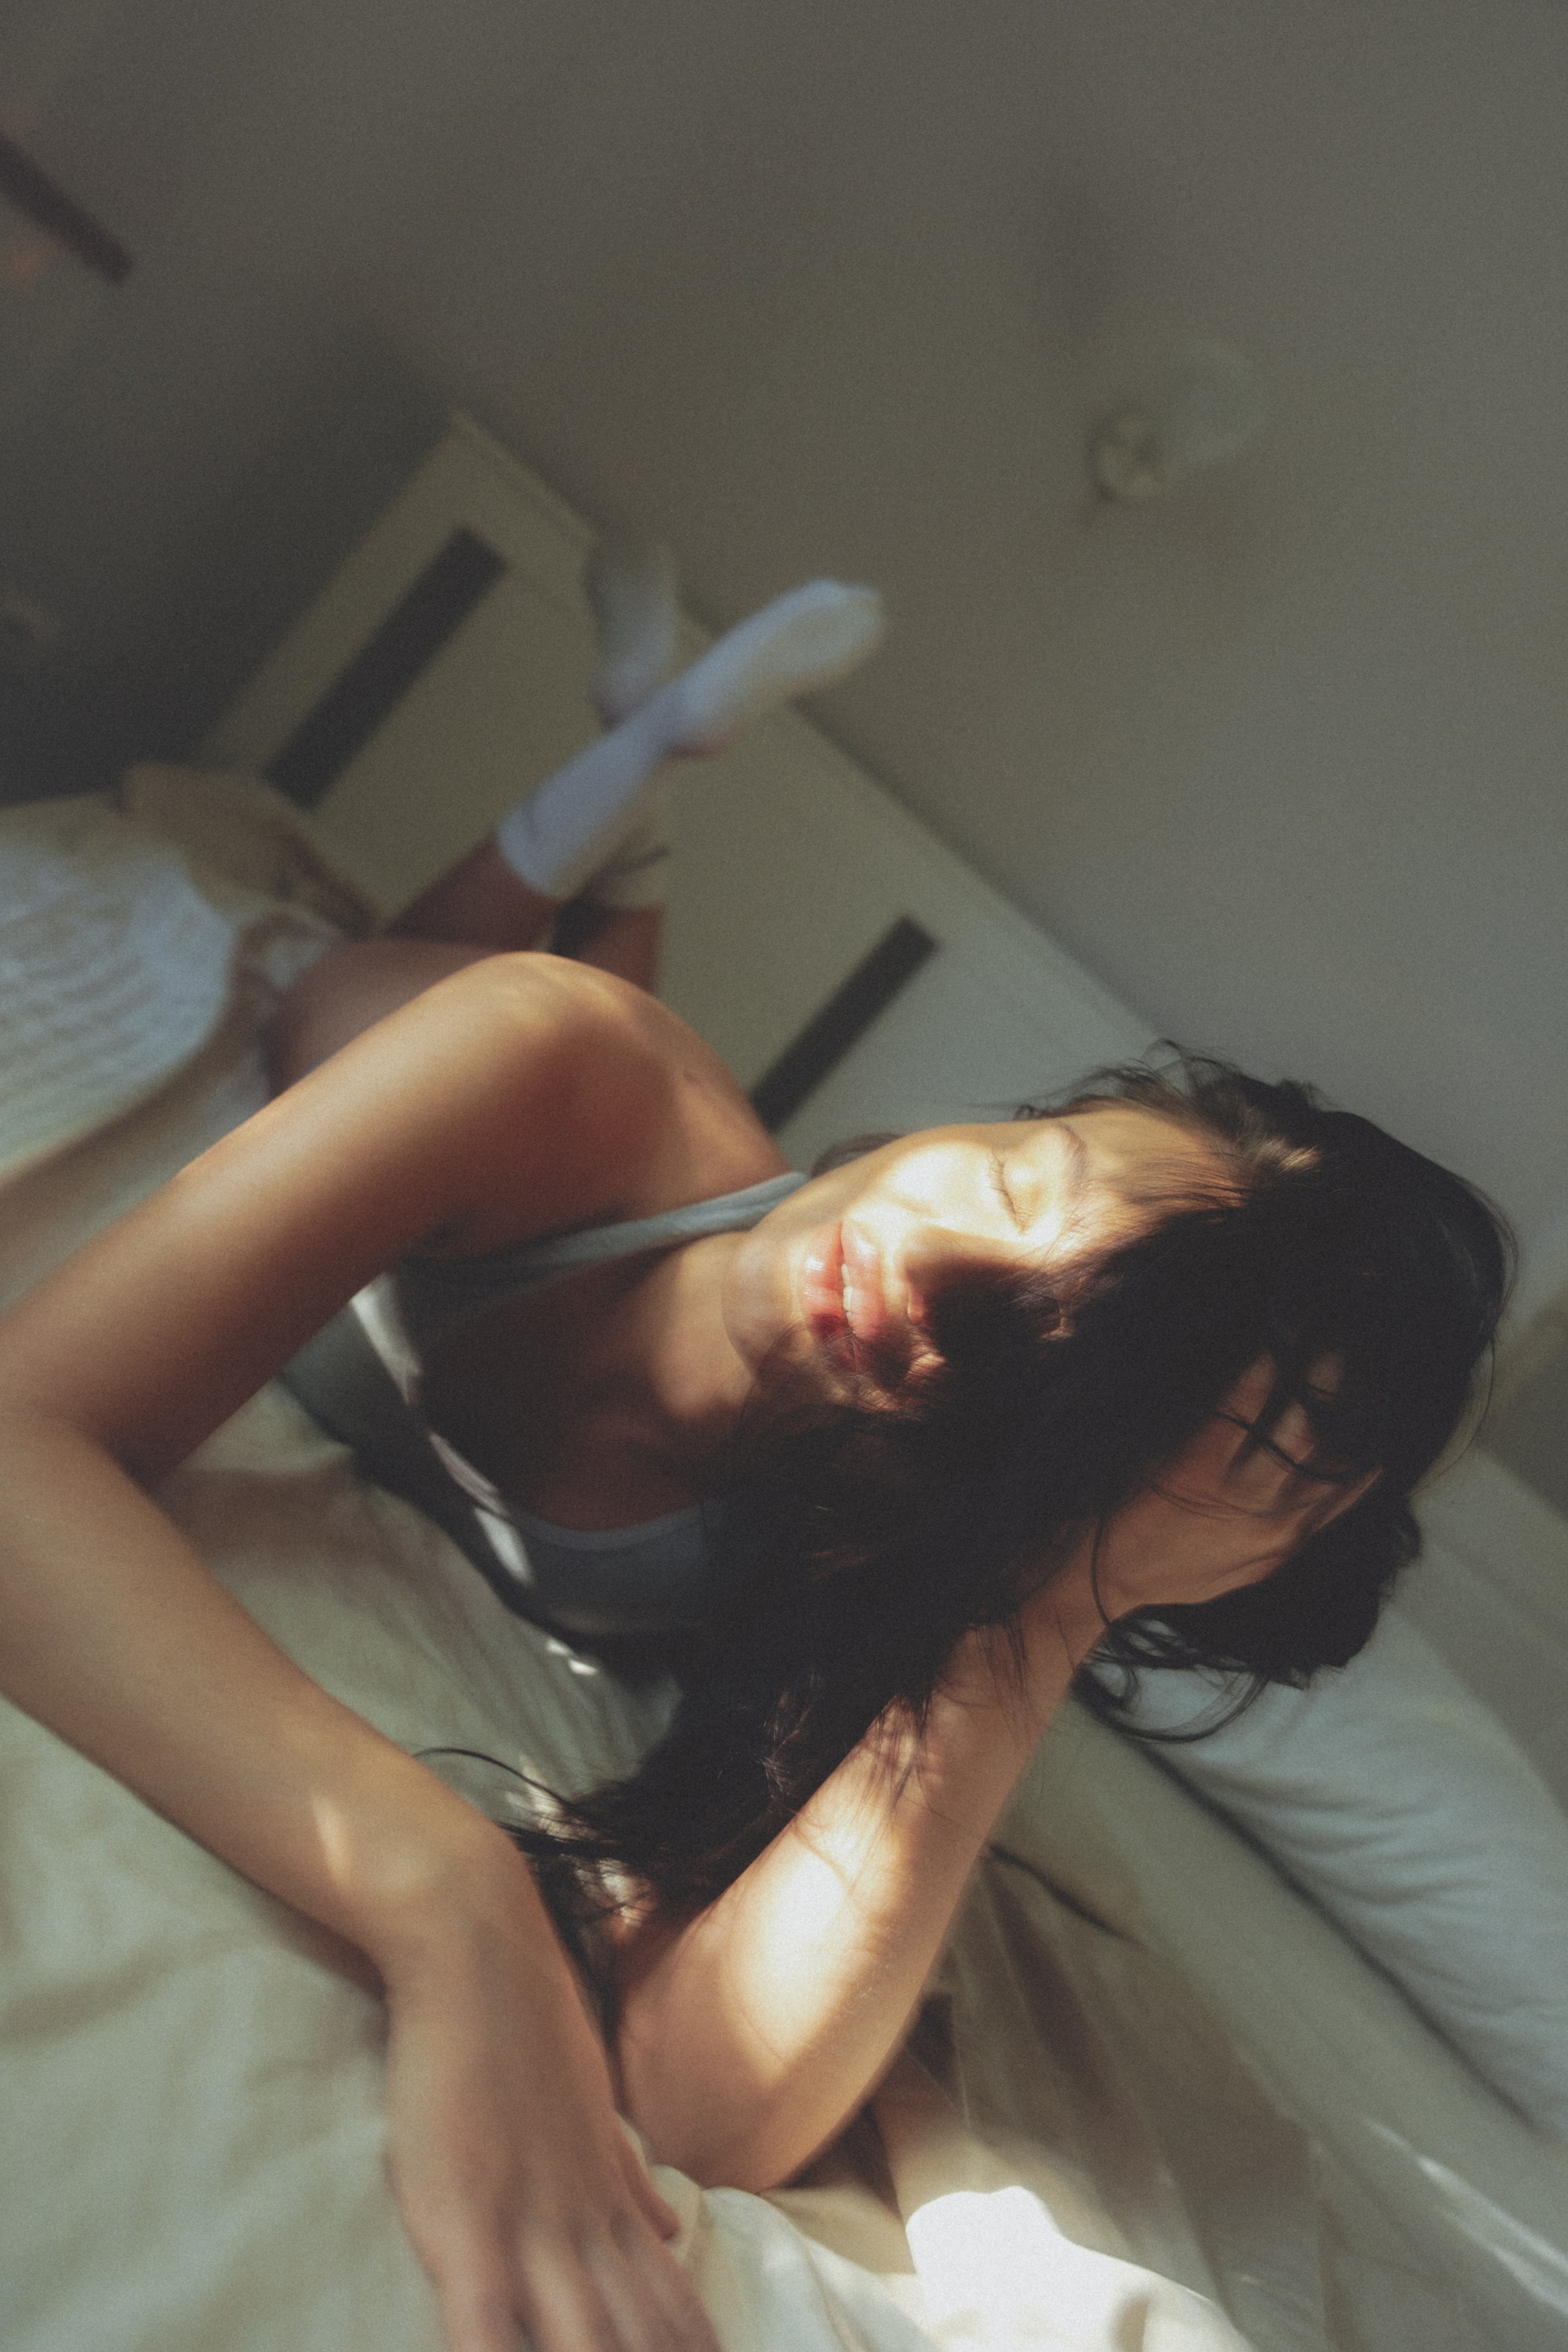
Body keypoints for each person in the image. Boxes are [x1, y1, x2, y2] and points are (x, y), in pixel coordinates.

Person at [0, 553, 1510, 2352]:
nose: (938, 1262)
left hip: (621, 1244)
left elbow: (701, 2104)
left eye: (1039, 1372)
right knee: (356, 992)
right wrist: (447, 1890)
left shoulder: (887, 1533)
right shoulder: (558, 1067)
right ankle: (624, 806)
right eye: (1028, 1178)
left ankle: (636, 840)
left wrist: (1049, 1604)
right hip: (506, 1115)